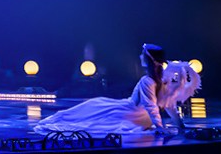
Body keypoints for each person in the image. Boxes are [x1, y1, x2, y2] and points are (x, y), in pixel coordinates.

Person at [35, 44, 179, 136]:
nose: (140, 56)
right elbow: (169, 105)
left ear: (148, 59)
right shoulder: (163, 81)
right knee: (96, 104)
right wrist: (179, 124)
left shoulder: (147, 81)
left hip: (129, 113)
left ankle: (64, 117)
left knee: (92, 108)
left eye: (143, 54)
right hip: (143, 119)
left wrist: (160, 127)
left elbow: (151, 105)